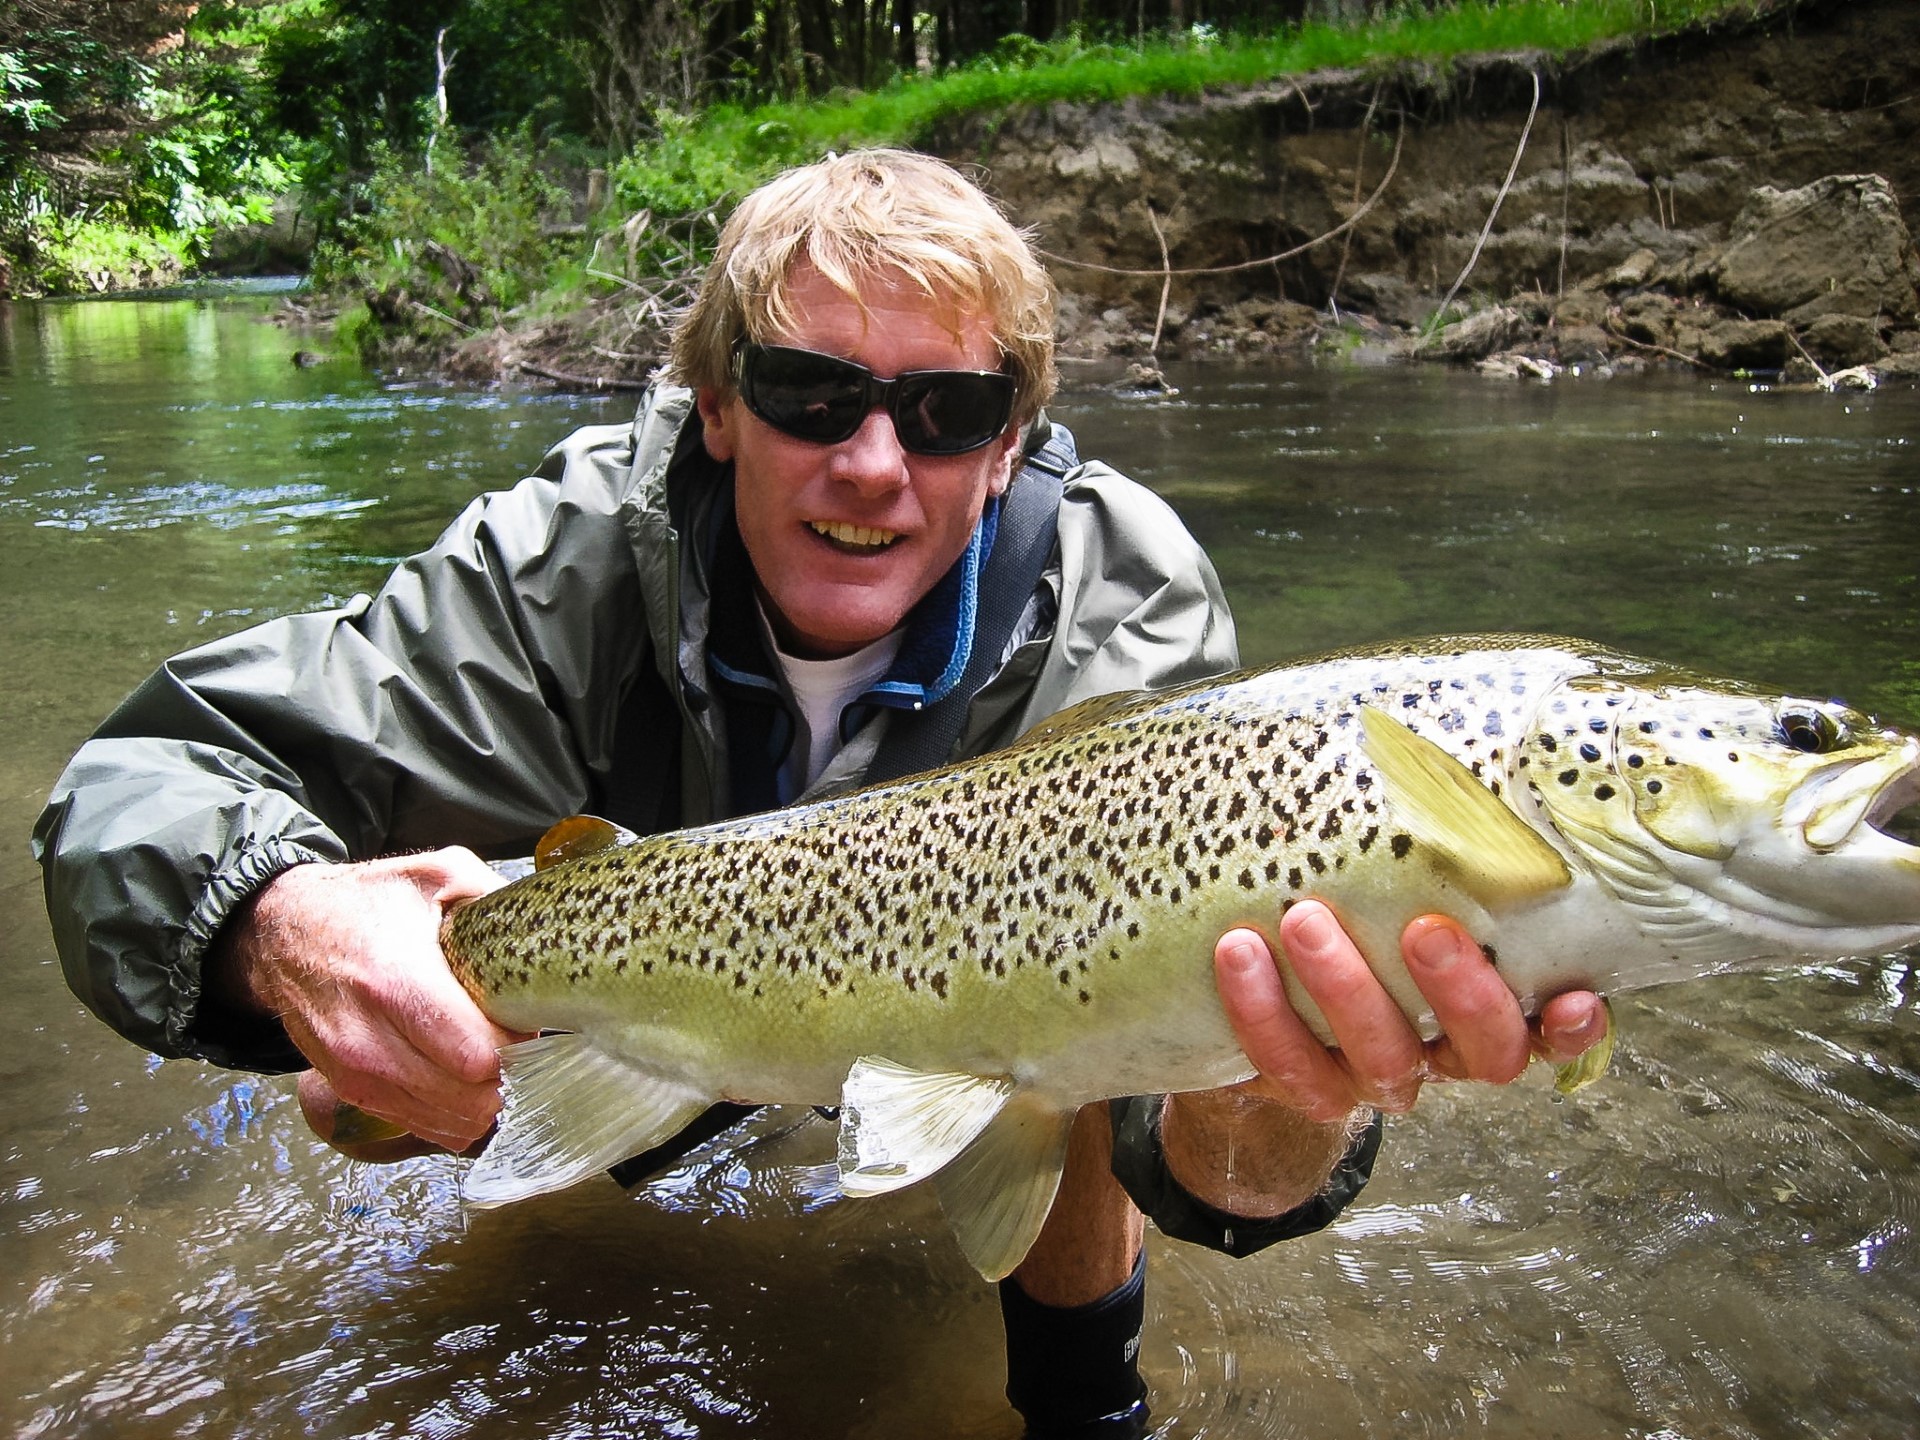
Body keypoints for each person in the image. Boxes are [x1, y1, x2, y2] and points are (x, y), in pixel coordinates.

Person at [34, 149, 1605, 1438]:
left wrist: (1282, 1087)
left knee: (1088, 1047)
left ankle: (1086, 1410)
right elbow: (145, 782)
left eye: (945, 416)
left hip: (978, 1021)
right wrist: (288, 927)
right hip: (628, 986)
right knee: (344, 1102)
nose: (873, 463)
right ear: (716, 407)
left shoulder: (1119, 609)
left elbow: (1195, 1157)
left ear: (1008, 449)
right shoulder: (562, 561)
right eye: (807, 393)